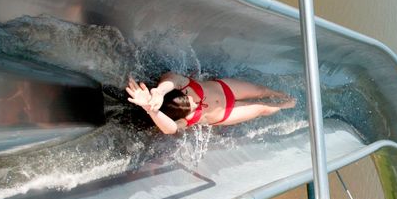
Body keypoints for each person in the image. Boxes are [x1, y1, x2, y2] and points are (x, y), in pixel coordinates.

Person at [126, 72, 295, 134]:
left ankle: (281, 94)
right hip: (227, 113)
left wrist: (159, 92)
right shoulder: (185, 120)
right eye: (190, 107)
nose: (194, 102)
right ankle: (286, 106)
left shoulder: (184, 86)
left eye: (188, 99)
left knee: (260, 91)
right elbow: (170, 128)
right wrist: (151, 110)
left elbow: (170, 77)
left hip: (226, 89)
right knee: (262, 108)